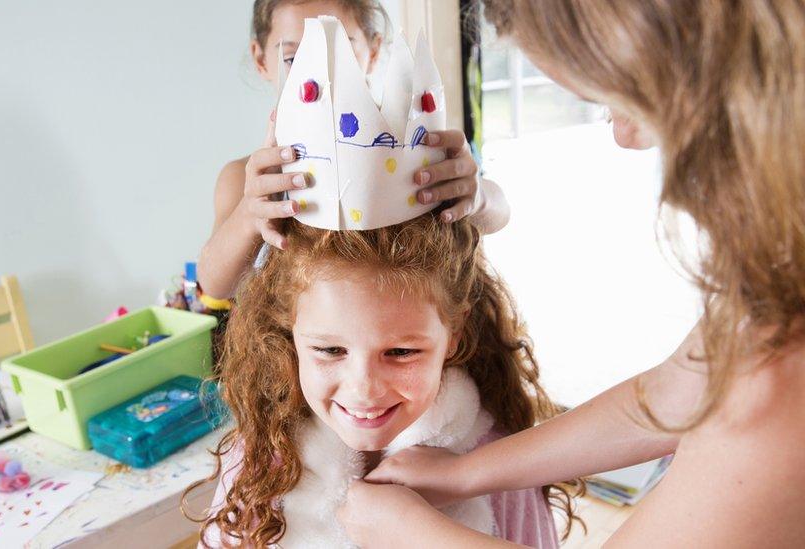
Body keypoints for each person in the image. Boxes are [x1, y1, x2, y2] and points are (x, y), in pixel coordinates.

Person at [337, 1, 805, 547]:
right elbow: (671, 393)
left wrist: (409, 531)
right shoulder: (772, 286)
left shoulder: (779, 383)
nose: (624, 137)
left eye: (617, 99)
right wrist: (466, 473)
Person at [187, 214, 573, 548]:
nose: (364, 388)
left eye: (402, 353)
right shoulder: (258, 461)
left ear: (453, 335)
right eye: (330, 351)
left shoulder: (500, 470)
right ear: (289, 332)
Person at [196, 0, 510, 299]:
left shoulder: (412, 151)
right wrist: (249, 215)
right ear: (261, 59)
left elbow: (501, 213)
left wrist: (477, 195)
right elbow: (213, 283)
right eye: (293, 59)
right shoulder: (247, 180)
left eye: (341, 54)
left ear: (373, 50)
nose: (317, 78)